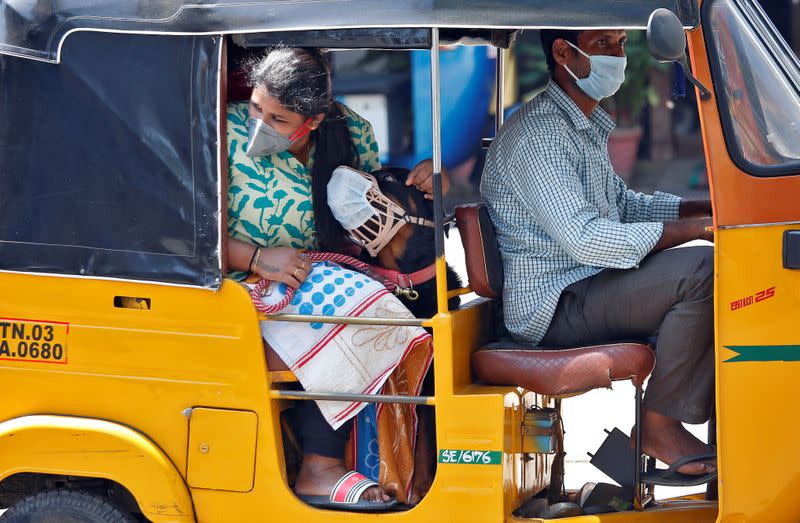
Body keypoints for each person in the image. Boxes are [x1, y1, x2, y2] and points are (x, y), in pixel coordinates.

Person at [480, 29, 716, 479]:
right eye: (604, 44)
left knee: (718, 261)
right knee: (702, 270)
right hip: (557, 301)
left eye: (622, 44)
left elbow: (624, 206)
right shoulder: (540, 136)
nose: (619, 56)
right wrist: (695, 230)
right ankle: (658, 426)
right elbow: (586, 238)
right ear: (564, 52)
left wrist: (708, 207)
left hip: (588, 282)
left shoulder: (579, 125)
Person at [226, 46, 438, 508]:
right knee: (356, 308)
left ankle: (412, 471)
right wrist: (259, 258)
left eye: (278, 120)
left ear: (314, 121)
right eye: (256, 108)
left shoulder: (351, 131)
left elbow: (367, 212)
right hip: (235, 282)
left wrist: (420, 183)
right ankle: (319, 468)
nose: (259, 125)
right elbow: (183, 234)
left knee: (422, 309)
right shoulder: (221, 131)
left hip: (325, 272)